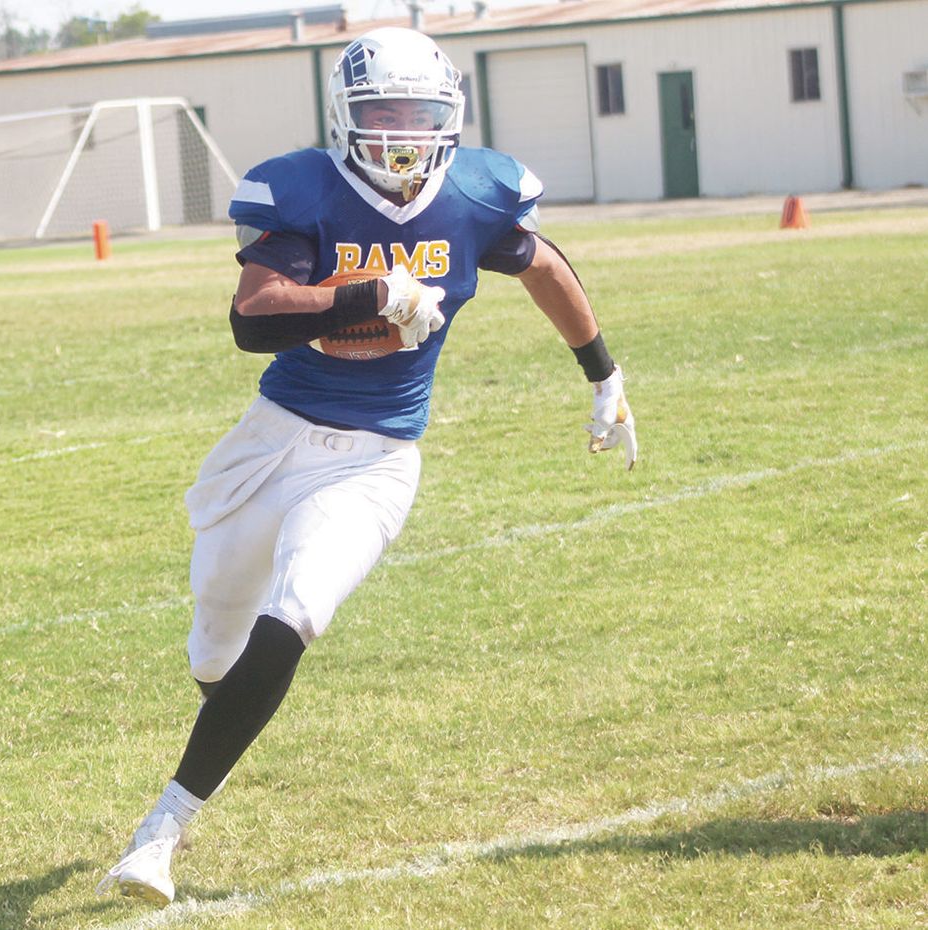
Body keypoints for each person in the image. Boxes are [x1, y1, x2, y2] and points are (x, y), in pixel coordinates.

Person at [96, 26, 637, 907]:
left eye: (419, 115)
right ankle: (219, 706)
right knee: (216, 641)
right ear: (346, 117)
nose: (400, 134)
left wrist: (605, 372)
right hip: (272, 441)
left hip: (379, 457)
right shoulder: (303, 187)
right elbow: (254, 317)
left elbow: (543, 267)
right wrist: (373, 292)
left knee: (297, 613)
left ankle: (159, 834)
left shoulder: (475, 190)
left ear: (450, 119)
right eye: (382, 112)